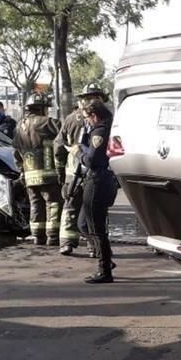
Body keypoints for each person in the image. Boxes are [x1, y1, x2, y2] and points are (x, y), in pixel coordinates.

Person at [54, 85, 107, 256]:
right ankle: (93, 247)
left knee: (71, 207)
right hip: (95, 172)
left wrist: (60, 171)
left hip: (74, 172)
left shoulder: (70, 119)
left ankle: (67, 243)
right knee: (95, 212)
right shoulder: (107, 120)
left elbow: (58, 146)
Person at [76, 100, 118, 284]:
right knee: (84, 224)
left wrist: (77, 153)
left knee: (96, 228)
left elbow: (92, 160)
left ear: (94, 115)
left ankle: (104, 270)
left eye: (88, 118)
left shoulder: (100, 131)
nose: (87, 122)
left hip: (98, 182)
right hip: (105, 181)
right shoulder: (110, 127)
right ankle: (106, 260)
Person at [13, 93, 63, 245]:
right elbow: (64, 134)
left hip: (29, 174)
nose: (47, 111)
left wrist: (22, 171)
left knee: (36, 204)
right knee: (53, 203)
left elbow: (16, 152)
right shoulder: (47, 122)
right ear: (41, 108)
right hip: (48, 173)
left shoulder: (19, 126)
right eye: (46, 108)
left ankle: (37, 236)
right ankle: (53, 236)